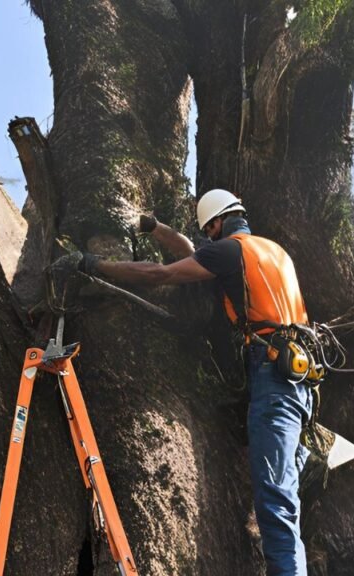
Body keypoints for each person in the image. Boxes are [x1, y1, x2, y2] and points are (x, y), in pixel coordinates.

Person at [79, 189, 313, 576]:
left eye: (209, 231)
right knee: (282, 481)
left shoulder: (229, 252)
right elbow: (192, 251)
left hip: (274, 378)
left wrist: (97, 265)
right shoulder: (270, 251)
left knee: (275, 497)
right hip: (299, 379)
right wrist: (155, 228)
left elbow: (166, 272)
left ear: (216, 225)